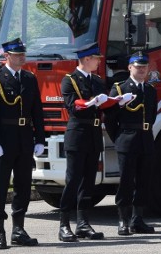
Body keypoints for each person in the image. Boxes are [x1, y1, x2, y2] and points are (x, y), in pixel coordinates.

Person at [0, 38, 45, 249]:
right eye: (17, 54)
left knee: (23, 185)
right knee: (0, 185)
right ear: (7, 56)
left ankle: (19, 228)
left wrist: (40, 139)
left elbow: (37, 111)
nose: (21, 57)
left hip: (24, 138)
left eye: (23, 54)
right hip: (4, 139)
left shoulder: (29, 78)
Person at [59, 42, 108, 242]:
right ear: (87, 59)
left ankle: (83, 223)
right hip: (78, 133)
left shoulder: (97, 81)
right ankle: (64, 225)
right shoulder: (69, 80)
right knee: (73, 180)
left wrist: (117, 102)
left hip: (93, 134)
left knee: (88, 181)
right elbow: (72, 107)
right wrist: (91, 102)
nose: (98, 62)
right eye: (96, 59)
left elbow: (104, 106)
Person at [104, 51, 157, 235]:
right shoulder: (119, 89)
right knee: (126, 182)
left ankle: (138, 219)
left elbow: (152, 115)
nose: (141, 69)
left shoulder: (150, 90)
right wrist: (119, 138)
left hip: (145, 138)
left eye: (144, 66)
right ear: (129, 67)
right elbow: (109, 118)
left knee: (144, 181)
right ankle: (123, 220)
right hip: (127, 139)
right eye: (137, 66)